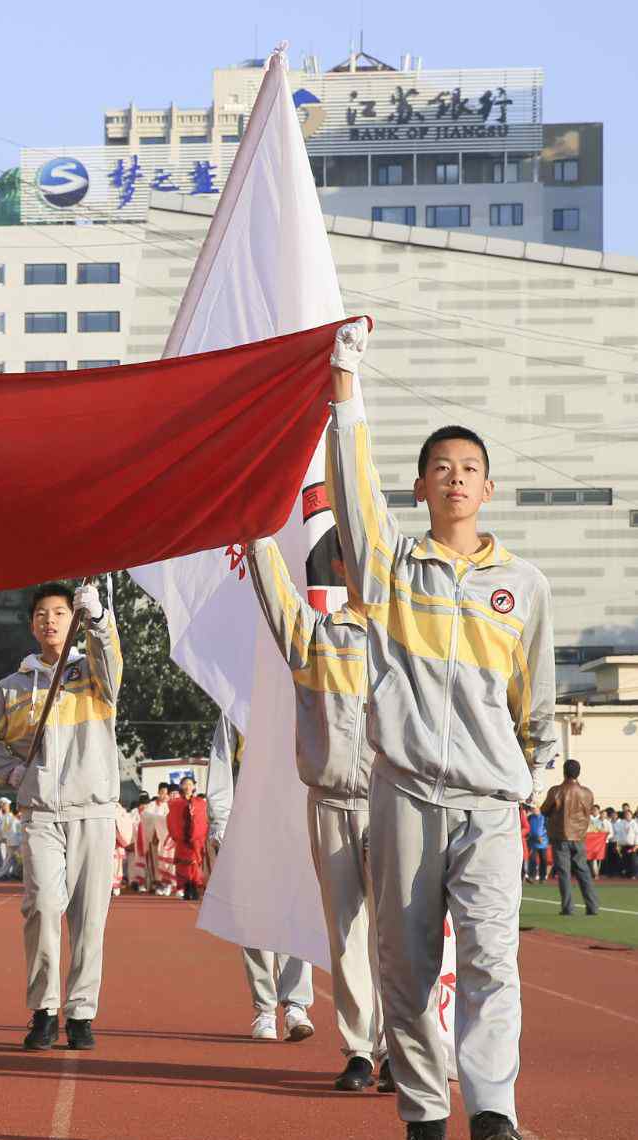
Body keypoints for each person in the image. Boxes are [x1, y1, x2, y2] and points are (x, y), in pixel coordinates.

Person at [328, 319, 558, 1140]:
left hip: (489, 804)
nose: (455, 480)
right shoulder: (392, 569)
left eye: (469, 470)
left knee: (495, 962)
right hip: (405, 796)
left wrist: (533, 775)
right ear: (420, 487)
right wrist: (343, 388)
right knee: (408, 965)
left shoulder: (521, 586)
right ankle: (425, 1113)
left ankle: (491, 1111)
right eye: (440, 469)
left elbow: (535, 699)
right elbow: (353, 502)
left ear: (487, 489)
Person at [246, 535, 390, 1092]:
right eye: (352, 557)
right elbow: (278, 598)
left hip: (392, 802)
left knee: (396, 935)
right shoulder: (316, 636)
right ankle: (359, 1050)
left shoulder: (406, 640)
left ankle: (401, 1048)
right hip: (331, 801)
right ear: (339, 567)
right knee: (346, 932)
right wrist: (257, 536)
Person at [0, 580, 122, 1052]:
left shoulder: (95, 674)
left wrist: (99, 621)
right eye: (41, 615)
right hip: (41, 814)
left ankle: (82, 1013)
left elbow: (111, 662)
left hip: (93, 810)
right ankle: (45, 1009)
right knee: (42, 907)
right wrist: (12, 772)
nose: (50, 621)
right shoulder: (13, 688)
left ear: (71, 620)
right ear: (31, 625)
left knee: (90, 918)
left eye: (59, 613)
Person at [206, 716, 317, 1045]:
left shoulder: (304, 691)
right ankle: (264, 1010)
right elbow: (221, 761)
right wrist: (219, 823)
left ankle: (297, 1006)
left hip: (297, 818)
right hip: (250, 820)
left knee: (298, 915)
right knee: (252, 919)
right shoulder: (236, 701)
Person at [540, 759, 600, 917]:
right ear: (578, 773)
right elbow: (588, 812)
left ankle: (568, 908)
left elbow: (544, 810)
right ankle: (592, 906)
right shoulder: (587, 793)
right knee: (583, 871)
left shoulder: (556, 791)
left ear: (564, 772)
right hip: (579, 836)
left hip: (560, 837)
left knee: (564, 873)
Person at [167, 776, 208, 901]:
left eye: (190, 784)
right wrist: (177, 834)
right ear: (181, 786)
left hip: (195, 840)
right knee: (183, 865)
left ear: (194, 786)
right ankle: (186, 888)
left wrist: (198, 834)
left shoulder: (201, 803)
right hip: (182, 839)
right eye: (185, 784)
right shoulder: (175, 804)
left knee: (194, 865)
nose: (187, 786)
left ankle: (194, 888)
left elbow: (203, 821)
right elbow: (171, 821)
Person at [140, 783, 175, 896]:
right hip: (153, 838)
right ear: (158, 792)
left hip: (166, 840)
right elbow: (145, 816)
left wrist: (160, 821)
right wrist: (157, 822)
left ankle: (167, 884)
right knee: (154, 861)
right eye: (162, 792)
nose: (164, 795)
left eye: (166, 793)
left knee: (166, 862)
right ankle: (155, 883)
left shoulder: (170, 805)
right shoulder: (151, 805)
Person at [525, 808, 549, 883]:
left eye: (535, 808)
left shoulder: (545, 818)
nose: (534, 810)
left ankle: (543, 877)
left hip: (543, 843)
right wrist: (530, 836)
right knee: (532, 859)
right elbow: (528, 828)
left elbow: (548, 828)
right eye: (533, 809)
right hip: (532, 842)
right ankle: (531, 876)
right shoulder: (530, 817)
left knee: (543, 860)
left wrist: (542, 837)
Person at [586, 805, 610, 878]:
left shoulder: (606, 822)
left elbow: (607, 832)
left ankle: (597, 874)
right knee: (590, 858)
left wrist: (604, 836)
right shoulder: (593, 821)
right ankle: (592, 874)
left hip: (602, 843)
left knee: (598, 858)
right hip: (591, 843)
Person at [613, 808, 638, 878]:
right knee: (625, 860)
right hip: (623, 845)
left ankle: (634, 874)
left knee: (633, 860)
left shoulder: (634, 823)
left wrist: (636, 845)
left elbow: (637, 834)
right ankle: (627, 874)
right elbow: (619, 834)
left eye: (629, 814)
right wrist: (618, 844)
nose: (627, 815)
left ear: (631, 815)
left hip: (632, 845)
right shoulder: (621, 823)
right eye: (626, 814)